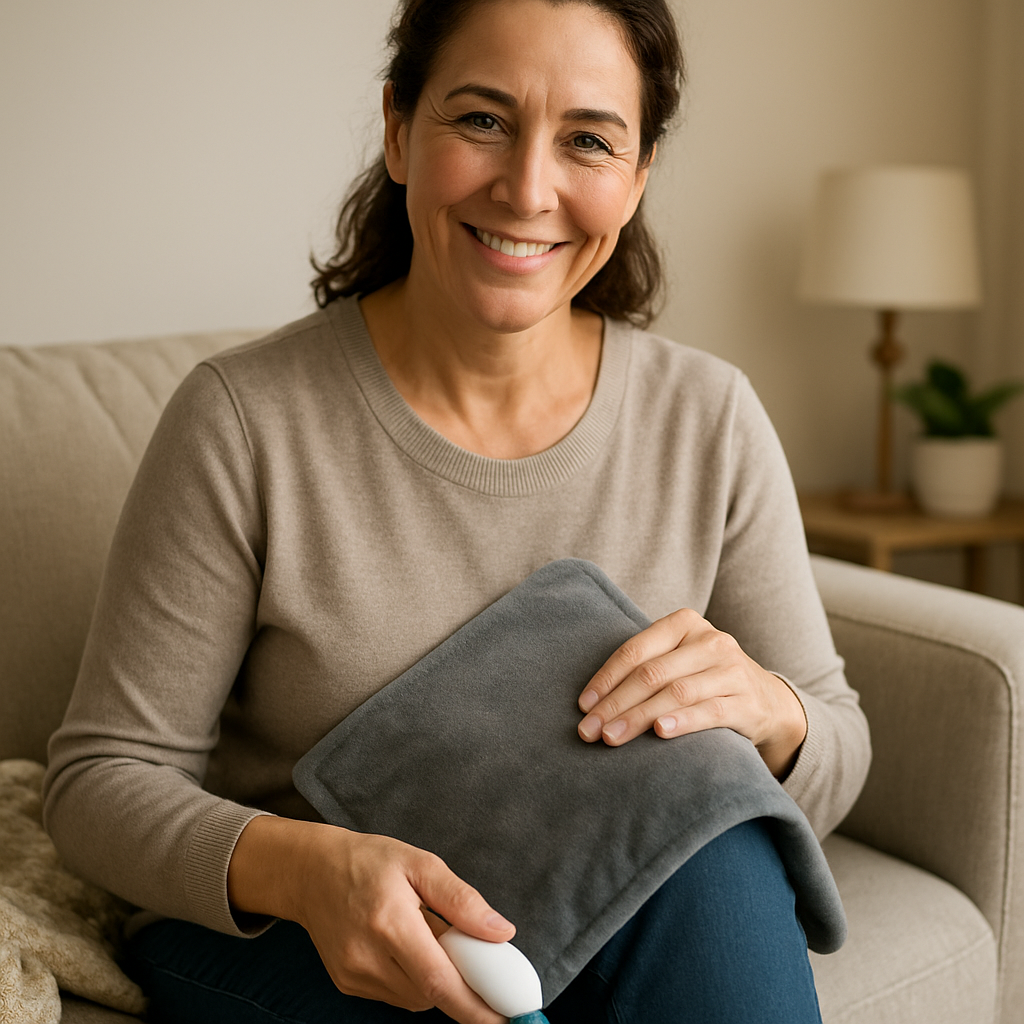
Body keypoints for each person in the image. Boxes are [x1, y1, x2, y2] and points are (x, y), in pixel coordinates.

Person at [43, 0, 871, 1021]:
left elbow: (835, 745)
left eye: (587, 141)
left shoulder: (710, 418)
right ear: (398, 130)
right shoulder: (243, 420)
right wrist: (310, 870)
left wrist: (774, 712)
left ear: (639, 175)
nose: (527, 188)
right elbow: (98, 782)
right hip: (298, 937)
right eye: (481, 120)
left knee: (719, 830)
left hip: (585, 899)